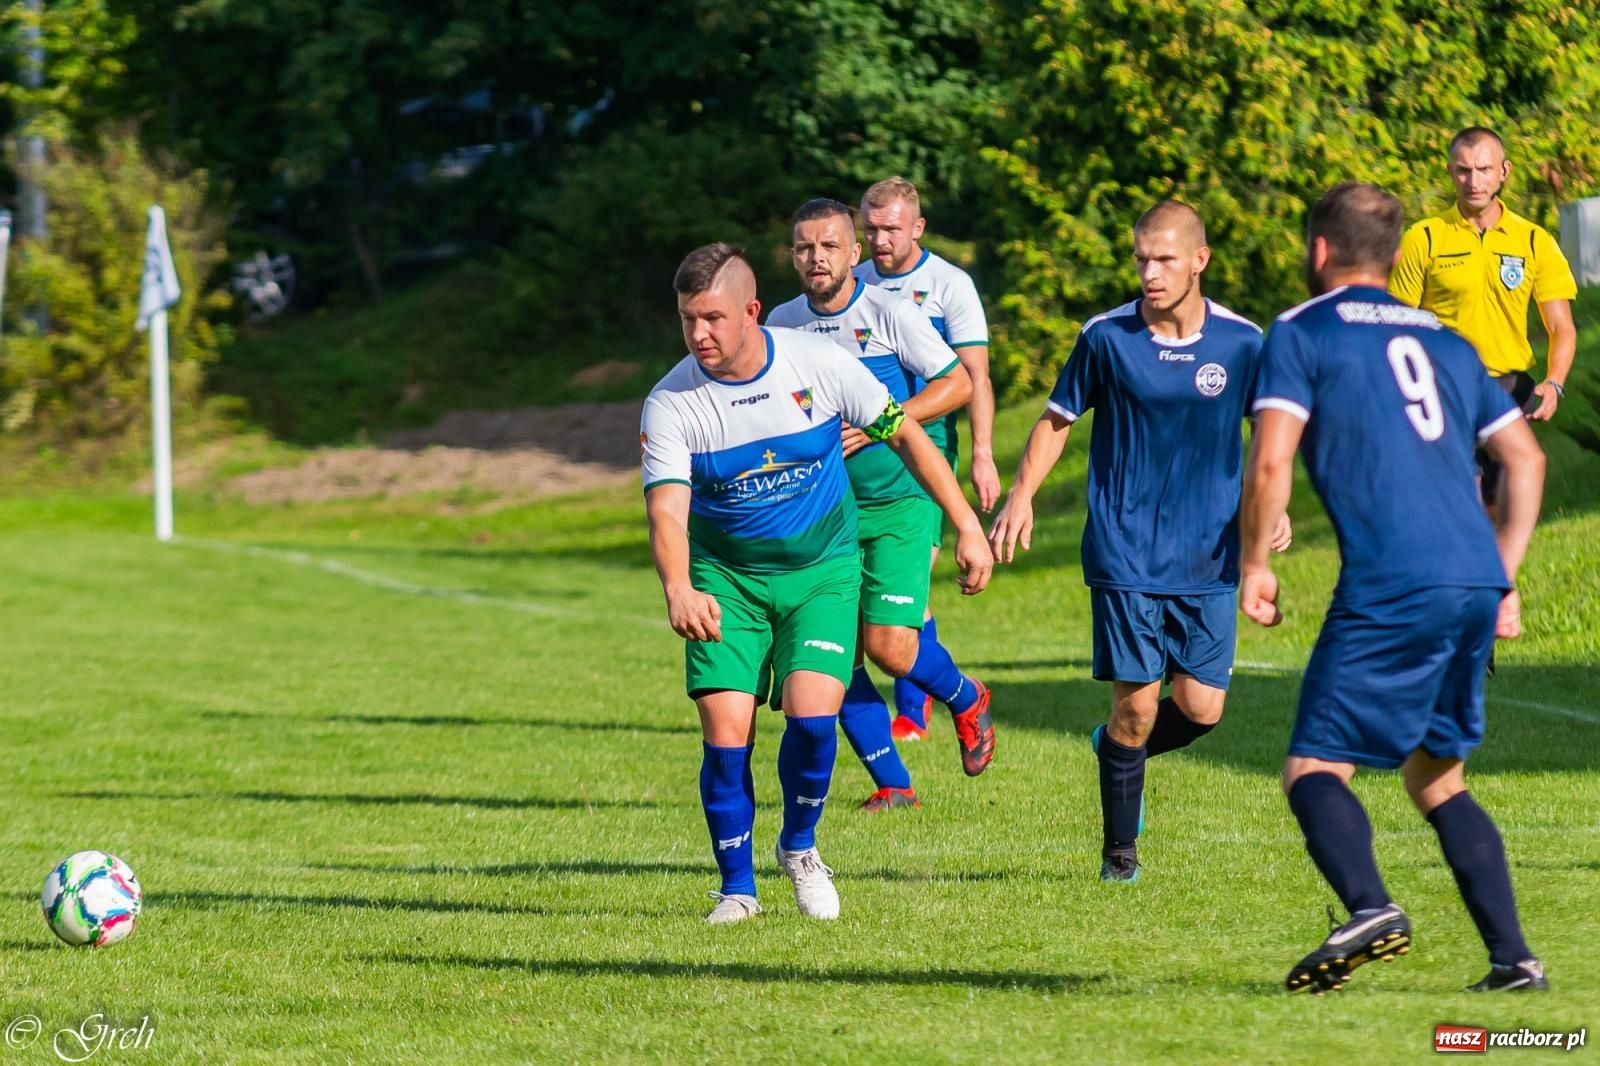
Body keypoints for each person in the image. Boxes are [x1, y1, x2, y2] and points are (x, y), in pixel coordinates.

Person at [1240, 181, 1548, 993]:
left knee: (1313, 768)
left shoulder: (1303, 331)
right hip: (1471, 576)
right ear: (1395, 255)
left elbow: (1271, 457)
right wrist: (1503, 575)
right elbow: (1526, 459)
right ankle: (1515, 963)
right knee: (1436, 776)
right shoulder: (1448, 342)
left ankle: (1370, 906)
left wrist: (1256, 562)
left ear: (1318, 251)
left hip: (1392, 578)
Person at [643, 242, 993, 924]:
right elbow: (665, 507)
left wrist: (966, 525)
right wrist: (679, 587)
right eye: (688, 320)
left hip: (821, 576)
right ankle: (737, 889)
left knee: (811, 718)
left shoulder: (819, 364)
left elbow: (908, 436)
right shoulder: (671, 401)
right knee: (726, 730)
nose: (699, 335)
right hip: (728, 582)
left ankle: (799, 850)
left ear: (751, 311)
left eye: (713, 318)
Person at [989, 200, 1289, 882]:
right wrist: (1021, 494)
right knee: (1136, 706)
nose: (1150, 274)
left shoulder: (1243, 343)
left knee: (1203, 710)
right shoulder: (1107, 337)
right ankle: (1119, 856)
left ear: (1199, 261)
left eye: (1165, 260)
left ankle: (1116, 752)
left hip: (1209, 552)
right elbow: (1056, 419)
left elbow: (1272, 435)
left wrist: (1273, 510)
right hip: (1125, 549)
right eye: (1142, 260)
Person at [768, 198, 997, 811]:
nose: (816, 258)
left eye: (829, 247)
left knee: (890, 646)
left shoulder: (889, 312)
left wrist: (883, 423)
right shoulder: (782, 326)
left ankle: (967, 697)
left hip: (899, 499)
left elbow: (959, 382)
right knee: (830, 657)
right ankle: (894, 785)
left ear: (854, 253)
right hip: (824, 514)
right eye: (804, 248)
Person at [855, 177, 1000, 744]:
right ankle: (915, 715)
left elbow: (975, 377)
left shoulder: (948, 285)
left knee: (894, 616)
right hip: (858, 461)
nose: (879, 240)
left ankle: (922, 710)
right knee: (902, 603)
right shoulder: (853, 283)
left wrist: (983, 454)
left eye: (890, 229)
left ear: (916, 227)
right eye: (870, 229)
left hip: (923, 460)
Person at [1390, 126, 1577, 511]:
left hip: (1509, 390)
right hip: (1445, 388)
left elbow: (1561, 327)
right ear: (1449, 171)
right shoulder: (1425, 237)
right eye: (1463, 171)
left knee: (1503, 506)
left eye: (1484, 169)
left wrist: (1554, 383)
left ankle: (1495, 572)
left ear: (1504, 171)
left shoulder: (1533, 240)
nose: (1473, 181)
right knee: (1464, 502)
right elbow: (1394, 325)